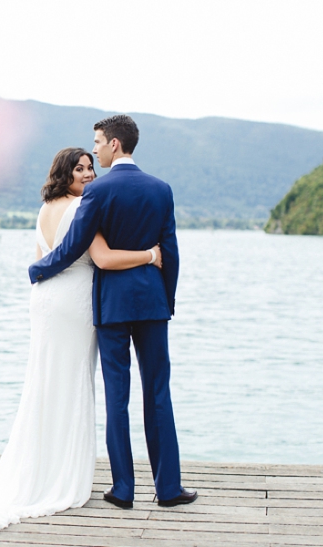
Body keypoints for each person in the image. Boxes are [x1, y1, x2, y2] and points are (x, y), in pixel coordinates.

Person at [0, 148, 162, 536]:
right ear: (65, 173)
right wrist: (151, 255)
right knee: (70, 384)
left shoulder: (44, 208)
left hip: (45, 299)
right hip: (74, 301)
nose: (87, 174)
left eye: (90, 167)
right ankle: (60, 476)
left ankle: (39, 466)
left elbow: (43, 256)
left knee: (45, 383)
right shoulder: (84, 206)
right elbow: (101, 258)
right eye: (80, 169)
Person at [29, 115, 197, 509]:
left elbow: (73, 246)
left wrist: (38, 270)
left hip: (112, 307)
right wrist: (166, 299)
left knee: (116, 398)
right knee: (158, 393)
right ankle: (168, 488)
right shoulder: (162, 189)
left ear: (115, 145)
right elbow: (169, 252)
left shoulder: (98, 192)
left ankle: (123, 489)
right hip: (153, 304)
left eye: (99, 143)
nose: (97, 150)